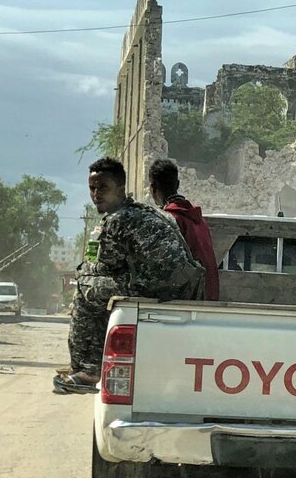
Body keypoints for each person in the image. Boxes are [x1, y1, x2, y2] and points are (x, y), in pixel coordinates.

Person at [56, 156, 201, 395]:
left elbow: (106, 268)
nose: (96, 194)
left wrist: (85, 272)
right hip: (181, 284)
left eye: (103, 188)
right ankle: (91, 363)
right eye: (92, 188)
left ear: (120, 189)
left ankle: (87, 369)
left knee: (86, 287)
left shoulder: (117, 220)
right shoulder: (140, 212)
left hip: (160, 287)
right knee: (100, 285)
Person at [148, 157, 220, 301]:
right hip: (209, 294)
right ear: (178, 184)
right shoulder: (199, 220)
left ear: (153, 188)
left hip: (189, 299)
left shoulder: (168, 220)